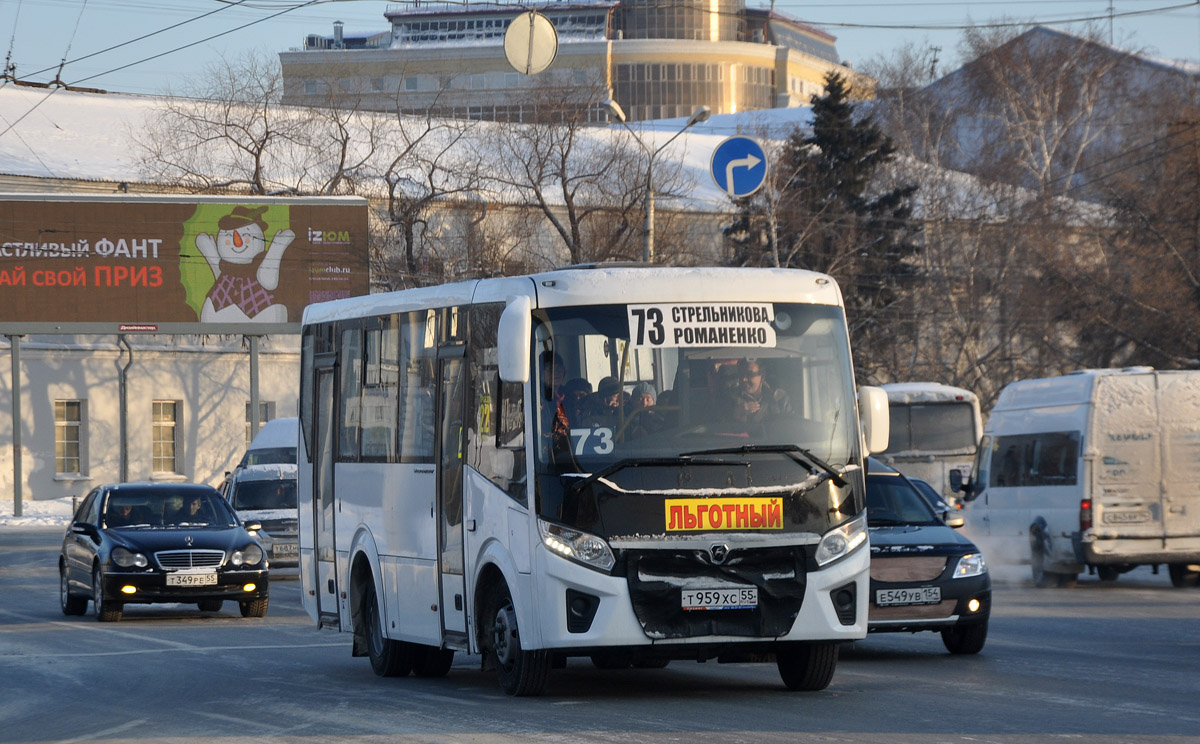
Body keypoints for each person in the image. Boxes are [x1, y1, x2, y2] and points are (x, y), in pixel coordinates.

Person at [723, 358, 792, 426]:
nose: (744, 379)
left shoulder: (779, 398)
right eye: (741, 374)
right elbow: (718, 428)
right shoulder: (728, 398)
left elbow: (789, 427)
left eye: (750, 374)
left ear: (762, 377)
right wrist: (736, 414)